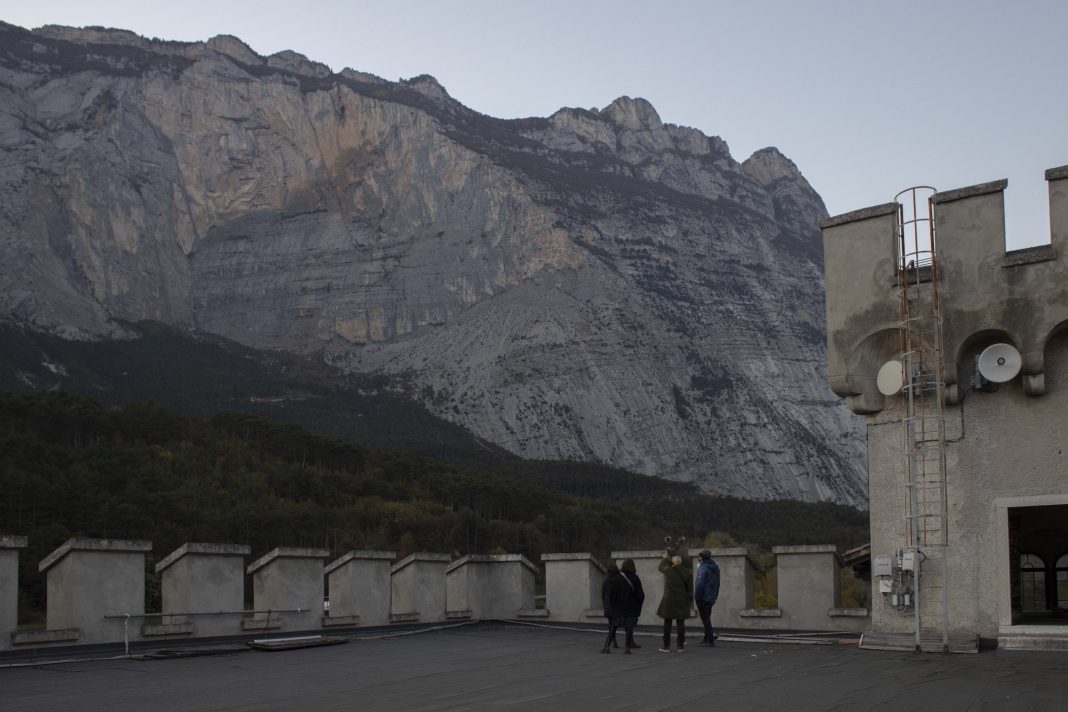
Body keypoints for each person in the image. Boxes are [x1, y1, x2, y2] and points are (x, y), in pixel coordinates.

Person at [657, 543, 692, 652]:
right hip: (682, 600)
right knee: (680, 623)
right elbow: (690, 589)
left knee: (667, 623)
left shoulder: (669, 571)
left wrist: (664, 558)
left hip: (669, 600)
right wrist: (689, 601)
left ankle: (666, 646)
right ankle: (680, 646)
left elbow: (660, 567)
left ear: (673, 563)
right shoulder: (687, 573)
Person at [616, 558, 645, 654]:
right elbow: (641, 594)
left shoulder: (618, 577)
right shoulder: (635, 578)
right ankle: (628, 645)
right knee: (630, 625)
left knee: (616, 624)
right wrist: (638, 603)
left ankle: (612, 642)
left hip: (620, 605)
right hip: (632, 606)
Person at [694, 549, 720, 646]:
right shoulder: (715, 567)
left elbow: (700, 584)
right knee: (707, 618)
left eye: (699, 556)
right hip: (711, 597)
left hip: (703, 598)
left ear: (702, 557)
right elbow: (718, 584)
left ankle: (710, 640)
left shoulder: (703, 568)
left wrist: (697, 597)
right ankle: (706, 638)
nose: (698, 558)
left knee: (706, 620)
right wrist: (715, 596)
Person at [600, 562, 622, 653]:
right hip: (615, 606)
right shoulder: (619, 579)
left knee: (611, 625)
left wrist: (605, 604)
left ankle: (614, 642)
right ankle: (607, 646)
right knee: (614, 626)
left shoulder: (605, 580)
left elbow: (602, 595)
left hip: (607, 606)